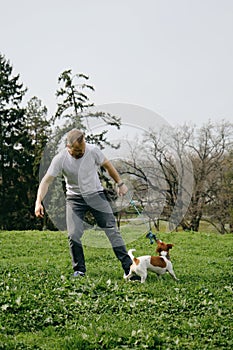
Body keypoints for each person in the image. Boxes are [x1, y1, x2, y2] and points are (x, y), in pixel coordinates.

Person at [35, 128, 137, 280]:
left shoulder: (92, 151)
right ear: (68, 147)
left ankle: (128, 269)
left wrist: (120, 183)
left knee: (112, 230)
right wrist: (38, 202)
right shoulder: (60, 159)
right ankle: (79, 270)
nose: (81, 152)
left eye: (82, 149)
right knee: (73, 234)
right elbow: (46, 181)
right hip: (75, 199)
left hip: (96, 195)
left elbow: (108, 166)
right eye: (77, 151)